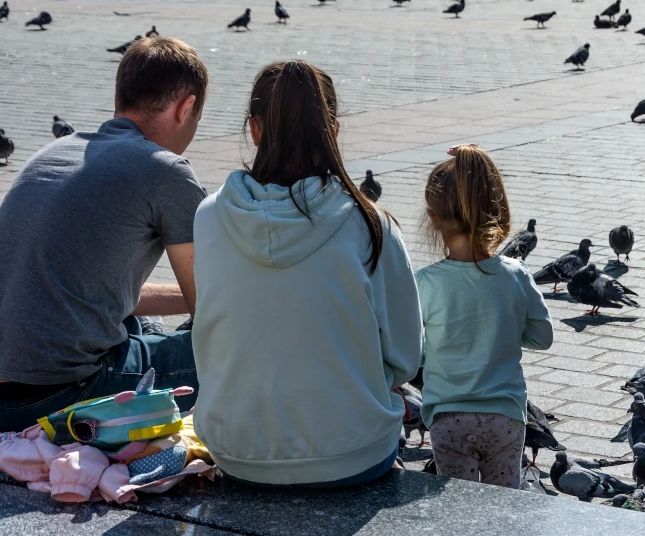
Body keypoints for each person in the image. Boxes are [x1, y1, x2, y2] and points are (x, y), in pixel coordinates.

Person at [191, 60, 422, 488]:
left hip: (237, 453)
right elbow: (405, 357)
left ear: (254, 129)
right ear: (333, 131)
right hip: (354, 452)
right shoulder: (371, 224)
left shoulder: (207, 217)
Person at [0, 38, 209, 434]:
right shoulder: (166, 171)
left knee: (144, 328)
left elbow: (80, 296)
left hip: (6, 395)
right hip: (62, 396)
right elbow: (213, 312)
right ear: (185, 109)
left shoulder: (49, 154)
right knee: (245, 352)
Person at [417, 145, 553, 489]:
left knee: (458, 510)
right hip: (504, 417)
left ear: (433, 217)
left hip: (448, 418)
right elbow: (542, 337)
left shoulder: (423, 283)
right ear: (497, 210)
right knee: (503, 508)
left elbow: (410, 351)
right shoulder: (516, 274)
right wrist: (502, 327)